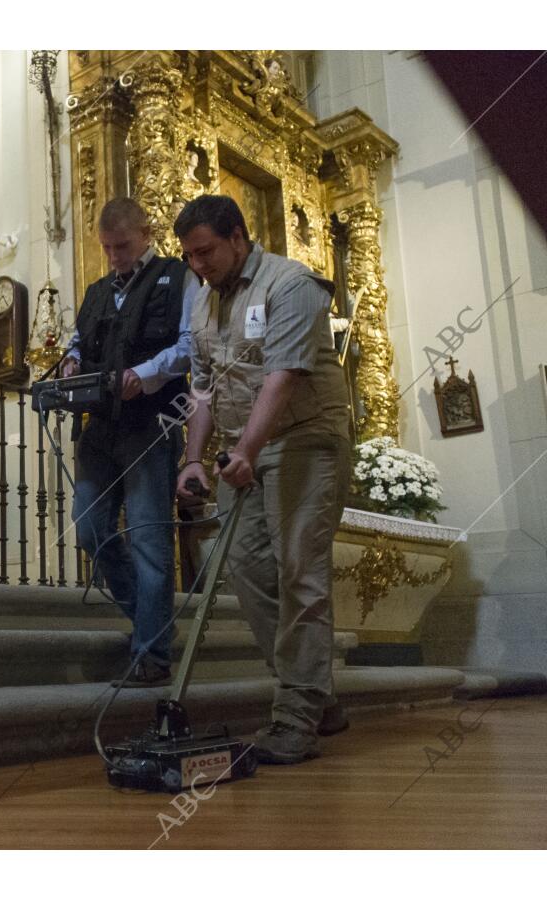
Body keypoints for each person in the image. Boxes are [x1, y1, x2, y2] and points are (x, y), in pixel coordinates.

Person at [174, 194, 351, 764]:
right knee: (247, 572)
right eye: (190, 257)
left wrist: (247, 449)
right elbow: (202, 388)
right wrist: (194, 458)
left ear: (238, 238)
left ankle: (296, 714)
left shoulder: (290, 284)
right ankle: (315, 695)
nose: (199, 266)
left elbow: (286, 373)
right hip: (240, 455)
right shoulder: (202, 304)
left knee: (300, 570)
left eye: (206, 252)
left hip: (305, 440)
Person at [61, 197, 199, 685]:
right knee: (89, 529)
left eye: (122, 245)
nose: (115, 255)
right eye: (107, 247)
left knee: (149, 541)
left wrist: (143, 374)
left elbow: (189, 348)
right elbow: (76, 344)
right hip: (99, 430)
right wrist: (71, 365)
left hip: (151, 425)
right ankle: (154, 621)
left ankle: (152, 656)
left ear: (146, 231)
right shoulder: (96, 290)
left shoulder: (178, 278)